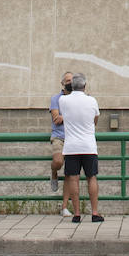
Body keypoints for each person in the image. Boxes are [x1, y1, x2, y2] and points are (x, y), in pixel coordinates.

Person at [57, 71, 103, 223]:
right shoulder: (92, 101)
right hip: (89, 145)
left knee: (73, 179)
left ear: (71, 85)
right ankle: (94, 213)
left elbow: (63, 115)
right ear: (85, 86)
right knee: (92, 177)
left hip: (71, 147)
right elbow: (95, 120)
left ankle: (76, 214)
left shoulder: (63, 101)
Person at [49, 71, 79, 217]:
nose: (70, 83)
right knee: (58, 161)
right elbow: (56, 120)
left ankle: (65, 207)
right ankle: (54, 172)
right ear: (62, 83)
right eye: (67, 80)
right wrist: (72, 116)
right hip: (59, 137)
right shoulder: (56, 99)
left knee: (70, 173)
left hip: (73, 138)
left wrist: (65, 116)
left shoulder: (78, 98)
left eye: (72, 80)